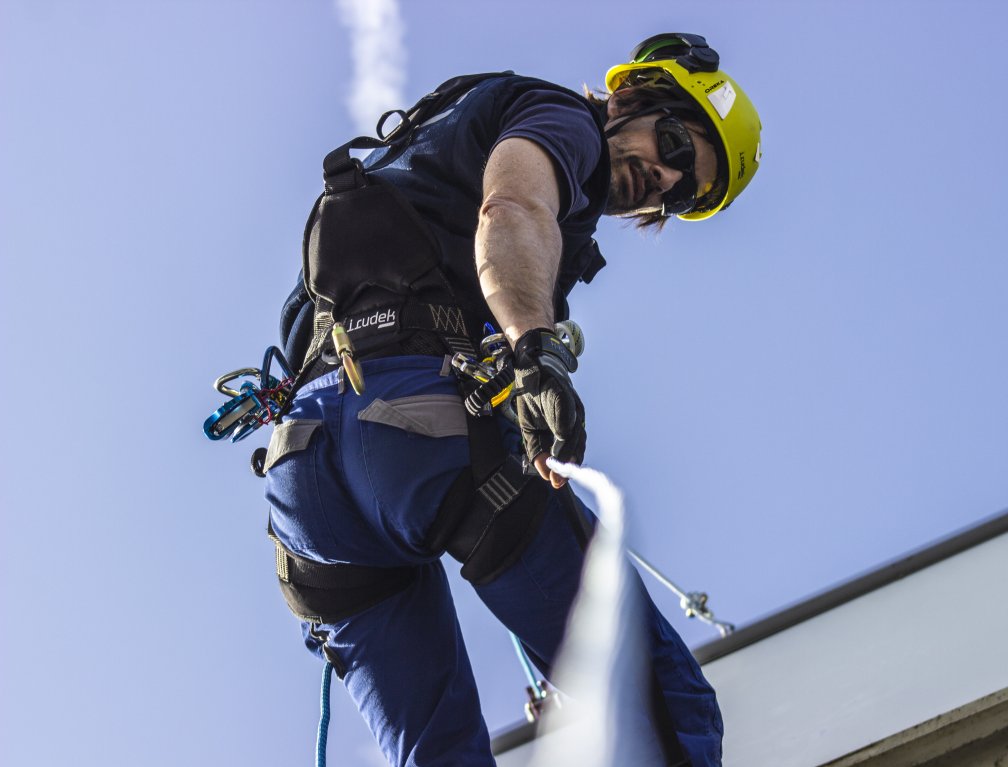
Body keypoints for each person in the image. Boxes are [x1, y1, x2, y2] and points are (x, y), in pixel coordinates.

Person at [263, 32, 762, 767]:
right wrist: (534, 351)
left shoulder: (434, 139)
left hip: (306, 485)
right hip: (415, 431)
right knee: (660, 707)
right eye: (677, 146)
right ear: (633, 97)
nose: (660, 177)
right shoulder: (565, 124)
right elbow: (514, 205)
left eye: (681, 190)